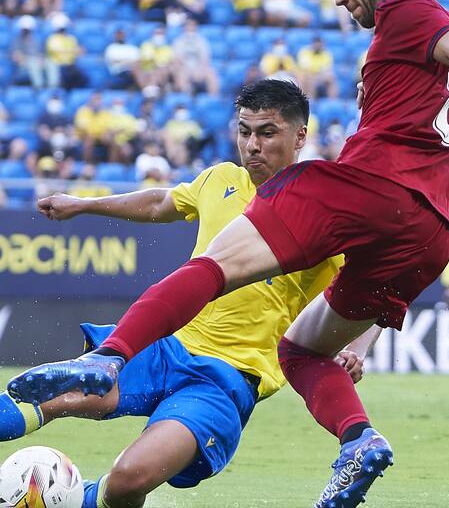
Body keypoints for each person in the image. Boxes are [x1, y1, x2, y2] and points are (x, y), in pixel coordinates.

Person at [9, 0, 449, 506]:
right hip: (431, 229)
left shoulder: (410, 12)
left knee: (213, 266)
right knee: (304, 351)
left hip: (369, 192)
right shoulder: (432, 50)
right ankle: (359, 439)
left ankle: (105, 360)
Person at [1, 79, 373, 508]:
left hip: (227, 378)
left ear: (300, 136)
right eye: (244, 131)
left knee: (127, 478)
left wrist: (358, 347)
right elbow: (162, 202)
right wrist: (83, 203)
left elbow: (369, 291)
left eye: (267, 133)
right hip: (165, 345)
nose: (252, 145)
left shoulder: (325, 210)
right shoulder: (221, 178)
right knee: (44, 396)